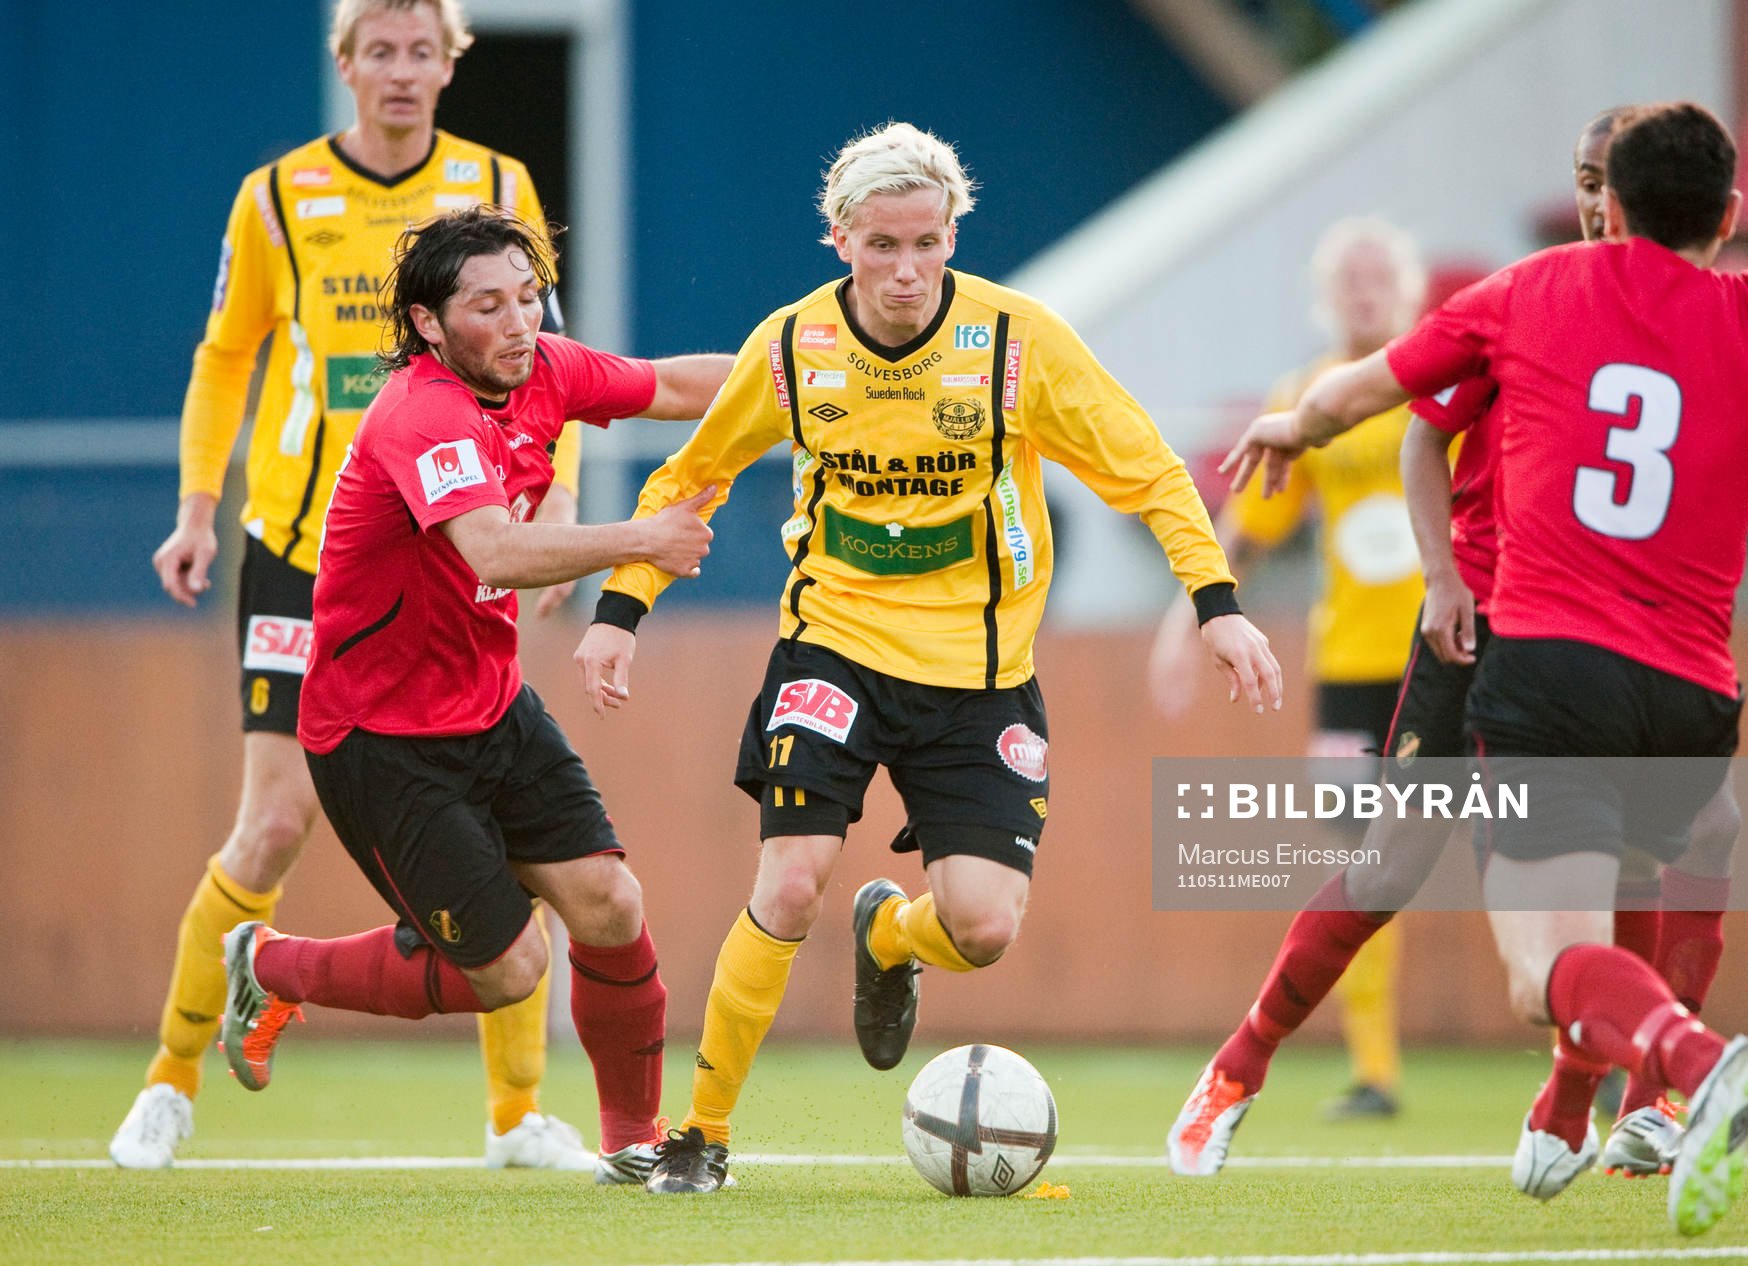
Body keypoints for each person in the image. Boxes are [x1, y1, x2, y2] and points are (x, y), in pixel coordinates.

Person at [1217, 101, 1748, 1234]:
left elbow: (1369, 394)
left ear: (1615, 204)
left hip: (1547, 668)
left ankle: (1692, 1064)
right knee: (1702, 843)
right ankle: (1605, 1103)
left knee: (1547, 963)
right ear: (1733, 216)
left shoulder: (1530, 291)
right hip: (1695, 694)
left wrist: (1294, 425)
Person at [572, 121, 1284, 1195]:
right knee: (792, 877)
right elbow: (690, 476)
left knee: (984, 927)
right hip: (835, 647)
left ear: (955, 233)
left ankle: (894, 938)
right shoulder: (793, 348)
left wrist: (1216, 603)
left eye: (927, 243)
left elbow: (1146, 470)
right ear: (838, 240)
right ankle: (701, 1133)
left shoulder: (1016, 341)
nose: (906, 270)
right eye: (881, 245)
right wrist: (621, 608)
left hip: (982, 673)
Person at [1169, 108, 1740, 1184]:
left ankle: (1632, 1101)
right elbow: (1425, 430)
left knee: (1673, 841)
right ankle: (1241, 1067)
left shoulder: (1705, 316)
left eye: (1601, 180)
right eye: (1577, 175)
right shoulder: (1534, 301)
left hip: (1606, 632)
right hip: (1481, 625)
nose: (1587, 199)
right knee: (1389, 863)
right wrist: (1442, 573)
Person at [118, 0, 592, 1171]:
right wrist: (194, 508)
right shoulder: (276, 196)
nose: (399, 70)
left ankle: (515, 1115)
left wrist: (562, 498)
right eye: (377, 50)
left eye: (421, 50)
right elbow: (227, 353)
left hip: (456, 547)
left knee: (505, 826)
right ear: (345, 66)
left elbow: (553, 363)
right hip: (303, 548)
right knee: (272, 822)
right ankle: (170, 1082)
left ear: (449, 64)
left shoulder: (496, 185)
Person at [213, 205, 732, 1186]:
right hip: (380, 739)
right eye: (488, 305)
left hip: (492, 708)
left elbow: (671, 385)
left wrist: (810, 378)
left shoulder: (548, 370)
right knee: (509, 973)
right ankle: (270, 965)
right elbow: (494, 548)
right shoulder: (421, 413)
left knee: (611, 905)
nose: (519, 322)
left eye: (529, 299)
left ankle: (633, 1146)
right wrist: (642, 537)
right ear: (428, 325)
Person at [1151, 217, 1433, 1122]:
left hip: (1449, 651)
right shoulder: (1309, 394)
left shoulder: (1441, 376)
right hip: (1349, 665)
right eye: (1348, 277)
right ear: (1326, 293)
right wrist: (1182, 619)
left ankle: (1585, 1042)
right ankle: (1375, 1072)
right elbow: (1252, 524)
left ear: (1408, 285)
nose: (1363, 290)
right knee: (1361, 858)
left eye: (1378, 272)